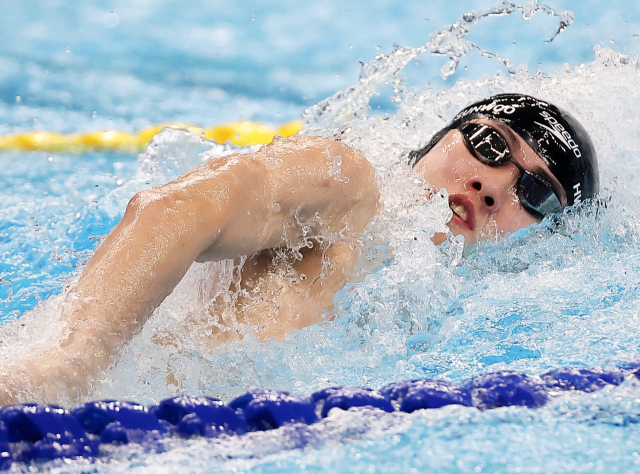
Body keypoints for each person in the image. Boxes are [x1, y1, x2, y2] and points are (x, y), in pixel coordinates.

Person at [0, 93, 599, 406]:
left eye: (536, 194)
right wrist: (70, 362)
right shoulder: (350, 185)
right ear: (442, 135)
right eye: (490, 145)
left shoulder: (437, 289)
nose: (492, 186)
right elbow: (173, 208)